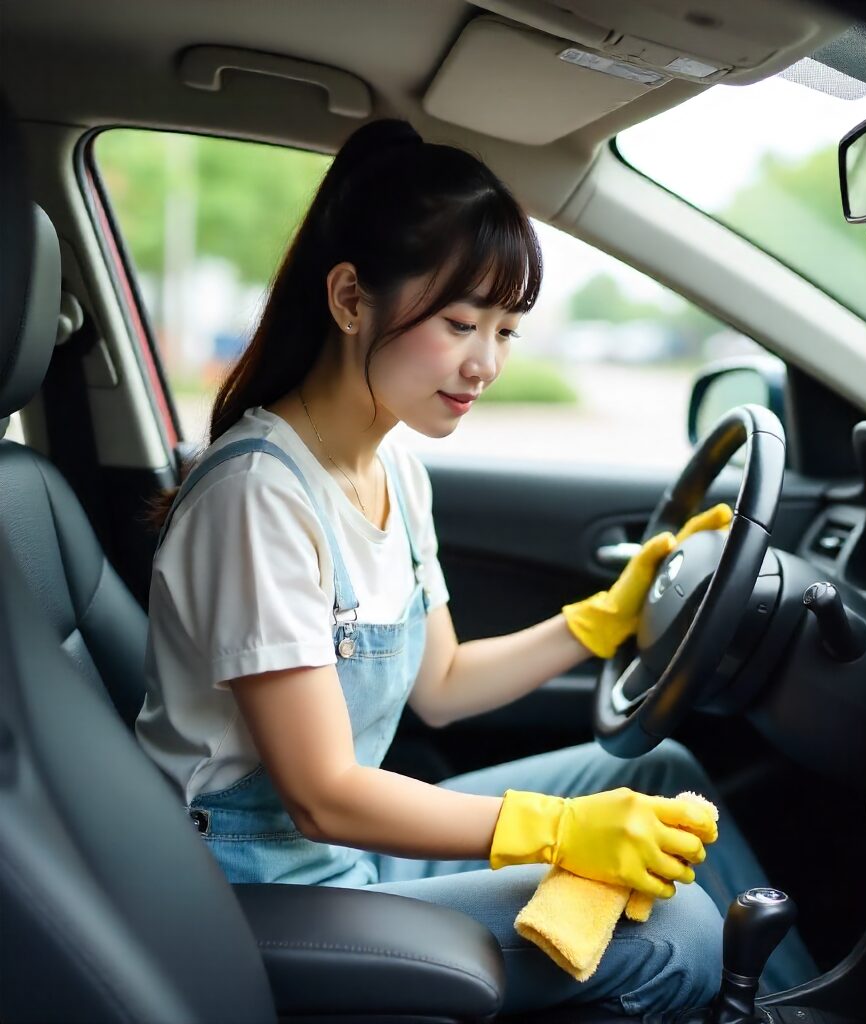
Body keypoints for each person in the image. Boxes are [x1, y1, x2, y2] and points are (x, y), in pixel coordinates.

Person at [136, 119, 812, 1020]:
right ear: (350, 299)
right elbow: (323, 795)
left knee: (659, 771)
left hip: (345, 857)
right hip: (258, 893)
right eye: (460, 323)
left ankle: (794, 1006)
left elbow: (444, 685)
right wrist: (556, 830)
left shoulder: (395, 468)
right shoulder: (260, 496)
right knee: (673, 930)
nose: (486, 363)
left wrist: (598, 621)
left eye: (507, 330)